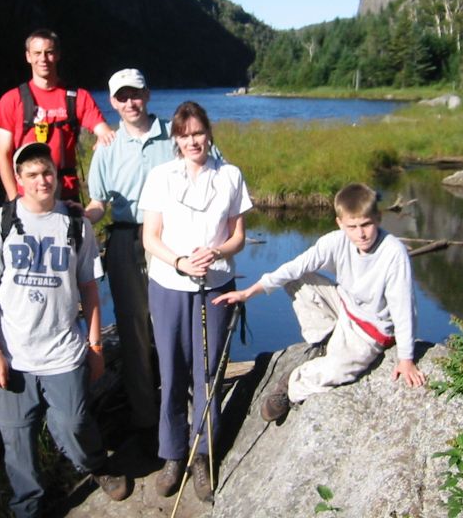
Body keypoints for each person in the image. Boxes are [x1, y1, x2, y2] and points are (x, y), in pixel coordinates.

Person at [0, 142, 130, 517]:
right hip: (13, 356)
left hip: (63, 352)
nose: (43, 180)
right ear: (19, 180)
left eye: (48, 173)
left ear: (57, 176)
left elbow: (89, 287)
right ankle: (28, 506)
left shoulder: (75, 224)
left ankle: (95, 465)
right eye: (33, 175)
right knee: (18, 439)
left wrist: (96, 345)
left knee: (74, 422)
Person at [213, 182, 426, 424]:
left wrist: (406, 359)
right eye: (352, 227)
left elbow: (404, 310)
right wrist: (249, 292)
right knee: (296, 278)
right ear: (340, 223)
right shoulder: (335, 241)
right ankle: (325, 339)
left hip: (371, 331)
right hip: (344, 308)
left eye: (366, 225)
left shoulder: (393, 253)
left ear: (377, 218)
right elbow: (297, 266)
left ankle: (292, 384)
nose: (361, 234)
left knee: (336, 371)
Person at [138, 101, 252, 503]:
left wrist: (217, 253)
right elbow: (150, 237)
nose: (192, 141)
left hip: (216, 285)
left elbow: (238, 236)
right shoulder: (160, 176)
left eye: (198, 133)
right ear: (175, 139)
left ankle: (202, 455)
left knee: (207, 374)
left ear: (209, 134)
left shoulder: (231, 175)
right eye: (184, 135)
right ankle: (172, 454)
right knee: (171, 371)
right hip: (168, 284)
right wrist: (181, 261)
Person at [83, 68, 175, 444]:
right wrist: (75, 220)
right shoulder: (107, 146)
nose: (130, 102)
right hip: (123, 240)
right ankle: (144, 417)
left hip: (170, 240)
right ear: (113, 103)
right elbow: (98, 203)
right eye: (122, 97)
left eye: (135, 94)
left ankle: (176, 413)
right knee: (134, 330)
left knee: (171, 325)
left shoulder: (174, 134)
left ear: (148, 95)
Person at [0, 28, 114, 202]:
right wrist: (13, 198)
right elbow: (3, 154)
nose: (43, 59)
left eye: (49, 53)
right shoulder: (11, 100)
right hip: (26, 197)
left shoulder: (78, 97)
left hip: (66, 195)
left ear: (57, 55)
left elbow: (105, 132)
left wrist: (103, 138)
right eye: (37, 53)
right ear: (28, 56)